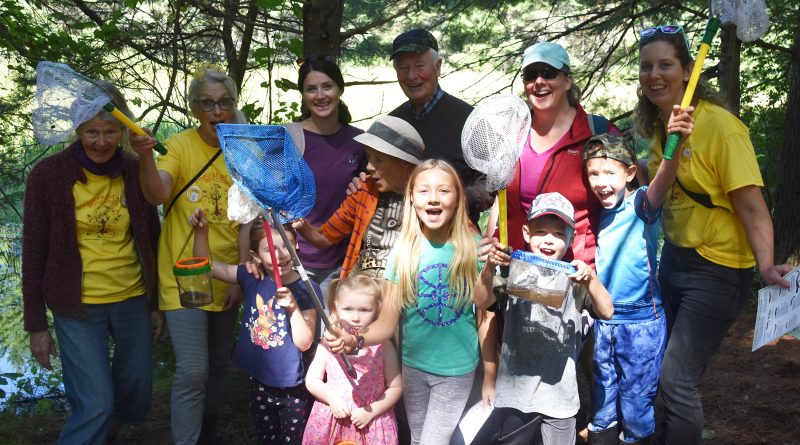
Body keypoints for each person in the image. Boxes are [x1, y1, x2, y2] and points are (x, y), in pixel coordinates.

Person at [635, 25, 792, 444]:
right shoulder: (658, 128)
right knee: (664, 373)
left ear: (688, 70)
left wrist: (765, 264)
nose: (655, 75)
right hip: (675, 262)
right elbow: (652, 200)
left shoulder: (721, 127)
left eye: (666, 64)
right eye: (646, 66)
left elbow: (752, 206)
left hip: (718, 268)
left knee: (677, 378)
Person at [22, 81, 163, 445]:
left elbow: (152, 238)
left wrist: (155, 304)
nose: (101, 142)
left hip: (131, 297)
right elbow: (33, 252)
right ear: (78, 129)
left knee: (137, 394)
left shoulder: (134, 170)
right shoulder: (47, 176)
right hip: (77, 306)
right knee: (96, 404)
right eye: (91, 132)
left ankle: (105, 433)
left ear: (124, 130)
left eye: (111, 132)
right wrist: (37, 325)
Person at [131, 64, 250, 445]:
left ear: (233, 104)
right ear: (194, 109)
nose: (217, 111)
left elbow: (249, 219)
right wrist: (146, 157)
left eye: (224, 102)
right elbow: (158, 194)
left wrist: (243, 277)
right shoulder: (180, 146)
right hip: (185, 275)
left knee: (218, 363)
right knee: (193, 370)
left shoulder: (244, 151)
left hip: (228, 274)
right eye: (207, 104)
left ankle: (207, 426)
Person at [328, 159, 482, 445]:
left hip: (456, 370)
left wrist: (492, 373)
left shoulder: (472, 247)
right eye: (424, 191)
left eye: (443, 191)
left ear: (458, 197)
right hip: (413, 365)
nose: (433, 198)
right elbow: (386, 323)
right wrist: (355, 340)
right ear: (411, 197)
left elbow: (486, 314)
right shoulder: (403, 251)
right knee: (418, 438)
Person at [472, 192, 614, 445]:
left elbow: (607, 311)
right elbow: (482, 301)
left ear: (571, 239)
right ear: (526, 233)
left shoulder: (575, 279)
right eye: (541, 232)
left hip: (559, 397)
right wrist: (489, 269)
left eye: (559, 234)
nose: (549, 240)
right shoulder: (512, 269)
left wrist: (591, 279)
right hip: (515, 393)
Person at [580, 130, 687, 444]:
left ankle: (638, 437)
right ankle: (603, 434)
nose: (601, 182)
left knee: (636, 398)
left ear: (628, 173)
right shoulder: (598, 212)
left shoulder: (641, 204)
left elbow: (664, 179)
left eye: (609, 172)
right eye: (593, 174)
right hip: (605, 320)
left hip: (641, 322)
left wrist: (674, 143)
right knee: (602, 393)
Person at [190, 209, 317, 444]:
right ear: (255, 256)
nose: (280, 255)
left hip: (294, 388)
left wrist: (293, 309)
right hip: (258, 381)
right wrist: (201, 234)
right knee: (266, 439)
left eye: (286, 245)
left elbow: (304, 341)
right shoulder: (251, 277)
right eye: (270, 249)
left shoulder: (307, 288)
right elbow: (204, 267)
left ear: (296, 245)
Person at [503, 41, 620, 263]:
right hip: (516, 270)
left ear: (567, 81)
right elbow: (503, 202)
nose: (538, 82)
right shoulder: (512, 134)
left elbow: (624, 205)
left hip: (575, 273)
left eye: (548, 73)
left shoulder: (597, 133)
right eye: (530, 75)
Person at [293, 114, 424, 280]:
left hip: (406, 288)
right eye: (369, 157)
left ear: (404, 163)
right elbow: (324, 237)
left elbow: (459, 238)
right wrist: (301, 224)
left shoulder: (428, 197)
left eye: (379, 160)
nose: (369, 166)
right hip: (362, 291)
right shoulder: (365, 190)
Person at [387, 28, 493, 226]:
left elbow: (489, 183)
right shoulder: (392, 124)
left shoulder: (471, 121)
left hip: (457, 239)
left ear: (438, 67)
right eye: (403, 68)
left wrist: (456, 200)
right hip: (400, 238)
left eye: (420, 66)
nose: (411, 76)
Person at [292, 55, 367, 297]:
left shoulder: (359, 142)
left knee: (335, 335)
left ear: (340, 89)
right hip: (295, 261)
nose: (320, 95)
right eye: (311, 89)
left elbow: (369, 200)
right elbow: (271, 201)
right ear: (303, 95)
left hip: (343, 263)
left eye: (327, 86)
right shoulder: (288, 138)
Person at [303, 275, 402, 444]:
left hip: (372, 422)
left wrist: (371, 411)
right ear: (336, 307)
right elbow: (312, 379)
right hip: (332, 419)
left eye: (364, 310)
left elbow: (396, 386)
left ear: (377, 310)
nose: (355, 317)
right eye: (348, 309)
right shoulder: (328, 342)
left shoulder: (382, 346)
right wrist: (331, 398)